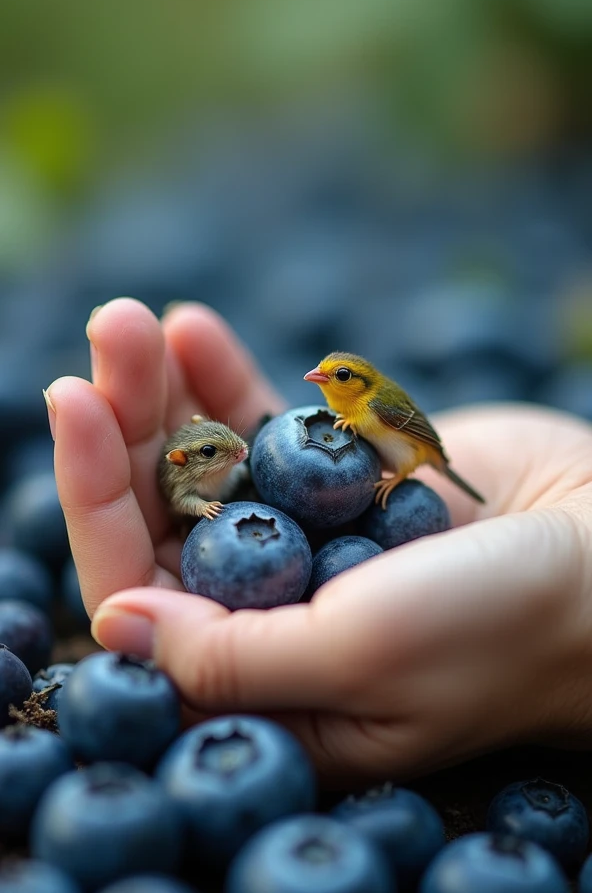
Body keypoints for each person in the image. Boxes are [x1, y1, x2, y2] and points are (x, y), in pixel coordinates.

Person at [44, 298, 592, 783]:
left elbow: (407, 442)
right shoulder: (316, 427)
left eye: (338, 377)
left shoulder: (375, 407)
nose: (321, 382)